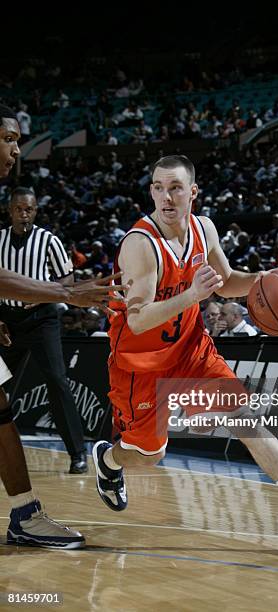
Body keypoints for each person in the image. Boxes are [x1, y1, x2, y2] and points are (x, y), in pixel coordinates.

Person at [93, 155, 278, 544]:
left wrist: (265, 278)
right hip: (139, 363)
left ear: (193, 192)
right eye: (158, 187)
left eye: (175, 187)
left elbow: (226, 281)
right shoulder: (139, 244)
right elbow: (138, 319)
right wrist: (193, 294)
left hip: (191, 349)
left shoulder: (204, 229)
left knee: (242, 414)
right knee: (149, 454)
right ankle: (108, 461)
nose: (166, 196)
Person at [0, 103, 128, 548]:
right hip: (19, 311)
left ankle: (27, 513)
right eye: (9, 139)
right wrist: (69, 293)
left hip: (39, 319)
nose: (17, 149)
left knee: (8, 410)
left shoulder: (48, 240)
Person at [0, 188, 89, 474]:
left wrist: (47, 295)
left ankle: (78, 454)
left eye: (30, 209)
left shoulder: (49, 240)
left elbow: (67, 284)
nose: (24, 214)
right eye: (19, 209)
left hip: (41, 319)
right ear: (10, 210)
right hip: (7, 320)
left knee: (57, 381)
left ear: (36, 210)